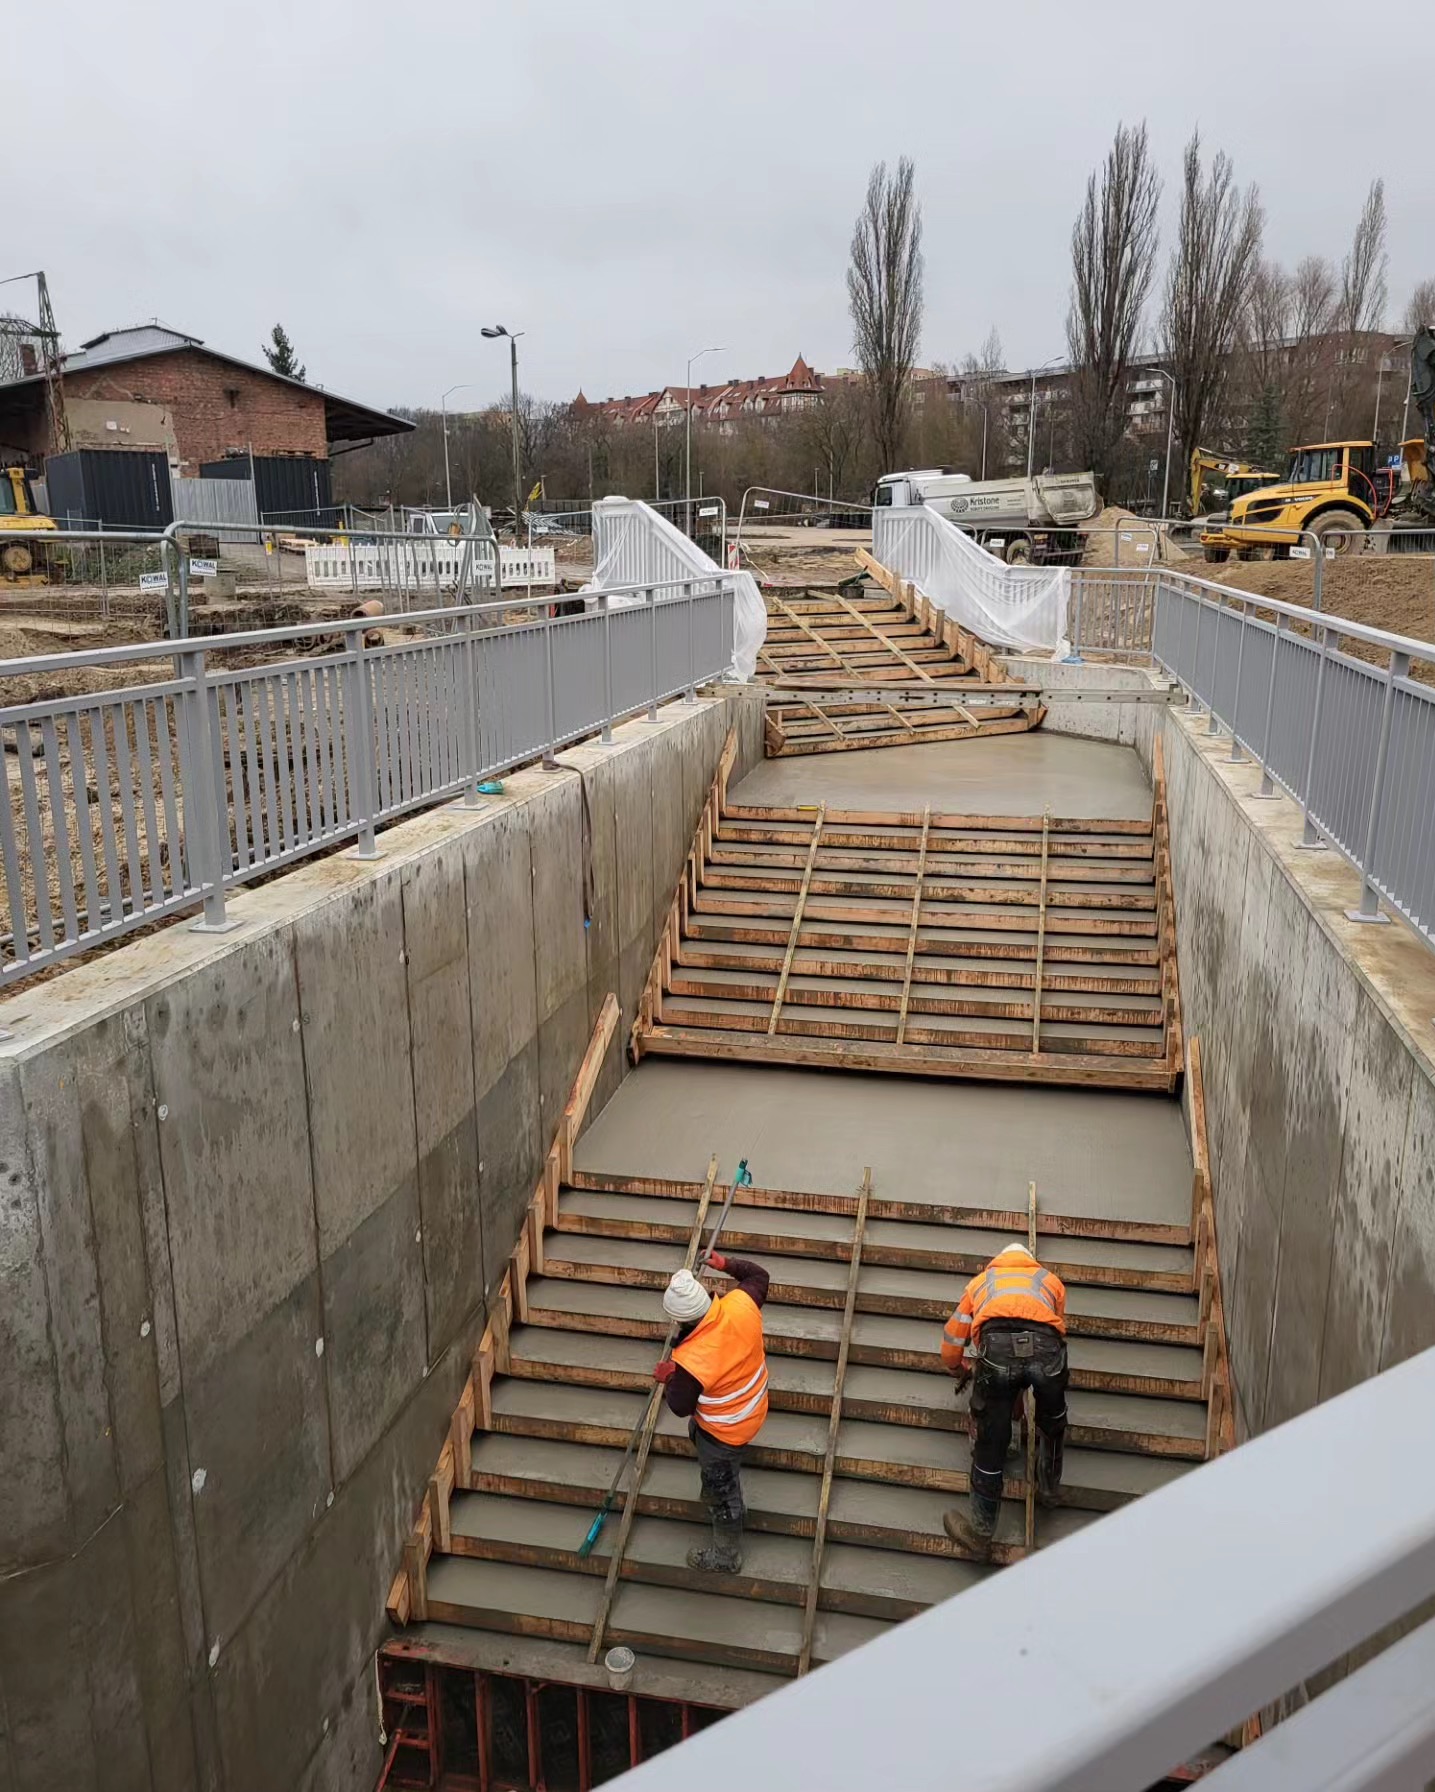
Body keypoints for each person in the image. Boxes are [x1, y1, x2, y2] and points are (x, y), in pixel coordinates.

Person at [939, 1241, 1068, 1559]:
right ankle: (1049, 1489)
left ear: (997, 1261)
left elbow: (953, 1338)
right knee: (1053, 1422)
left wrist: (958, 1368)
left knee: (990, 1441)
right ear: (1030, 1262)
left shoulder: (981, 1282)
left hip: (996, 1351)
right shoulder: (1050, 1281)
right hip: (1047, 1350)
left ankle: (981, 1535)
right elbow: (1055, 1331)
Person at [655, 1252, 770, 1574]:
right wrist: (726, 1265)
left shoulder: (693, 1359)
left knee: (721, 1492)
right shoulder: (739, 1306)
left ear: (680, 1320)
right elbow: (758, 1276)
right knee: (701, 1440)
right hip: (753, 1407)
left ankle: (726, 1556)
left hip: (725, 1430)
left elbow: (680, 1407)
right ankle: (726, 1494)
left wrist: (670, 1377)